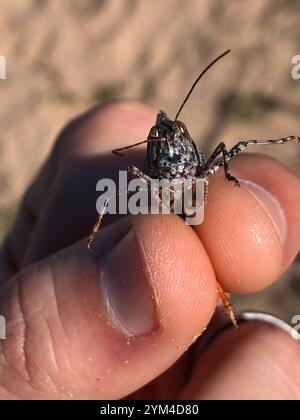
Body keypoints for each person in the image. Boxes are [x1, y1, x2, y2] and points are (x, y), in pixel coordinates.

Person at [0, 101, 299, 400]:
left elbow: (221, 150)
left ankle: (226, 312)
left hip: (192, 212)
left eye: (174, 134)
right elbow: (135, 174)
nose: (167, 140)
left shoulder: (189, 155)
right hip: (163, 220)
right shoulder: (145, 166)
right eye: (159, 137)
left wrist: (228, 177)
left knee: (238, 150)